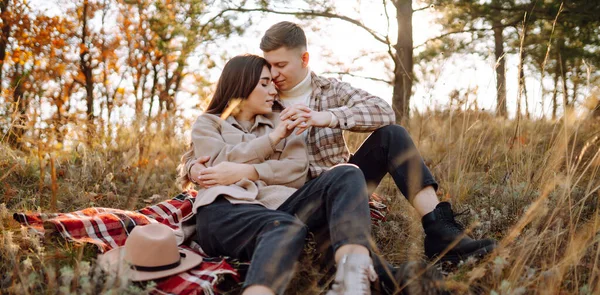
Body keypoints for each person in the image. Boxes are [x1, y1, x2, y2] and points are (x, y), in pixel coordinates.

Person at [184, 21, 497, 269]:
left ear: (304, 59)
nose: (274, 75)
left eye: (281, 65)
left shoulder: (331, 91)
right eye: (269, 66)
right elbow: (213, 134)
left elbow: (383, 111)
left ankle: (440, 231)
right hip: (289, 195)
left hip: (341, 181)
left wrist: (326, 117)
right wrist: (192, 167)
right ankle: (363, 269)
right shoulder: (263, 93)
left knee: (394, 134)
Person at [185, 54, 389, 295]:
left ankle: (349, 292)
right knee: (284, 227)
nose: (272, 88)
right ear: (240, 85)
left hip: (282, 208)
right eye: (263, 83)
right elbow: (217, 164)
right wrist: (271, 141)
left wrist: (248, 170)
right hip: (226, 211)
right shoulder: (209, 123)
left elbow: (295, 170)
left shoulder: (285, 120)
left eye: (272, 81)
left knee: (346, 173)